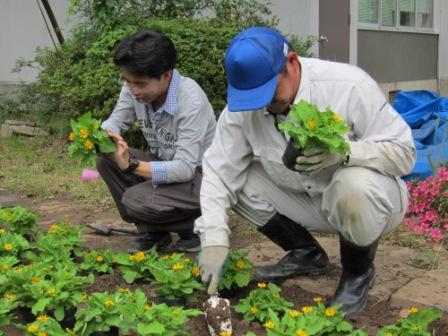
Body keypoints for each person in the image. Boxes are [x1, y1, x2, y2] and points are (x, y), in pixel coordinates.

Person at [196, 27, 416, 316]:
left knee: (353, 182)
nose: (262, 104)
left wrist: (345, 152)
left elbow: (405, 153)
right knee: (236, 178)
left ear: (291, 62)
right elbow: (217, 171)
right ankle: (307, 254)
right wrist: (214, 239)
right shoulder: (243, 108)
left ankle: (356, 274)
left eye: (269, 92)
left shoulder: (348, 85)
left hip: (369, 205)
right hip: (307, 199)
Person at [97, 29, 216, 253]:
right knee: (106, 160)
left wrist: (133, 166)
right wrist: (100, 136)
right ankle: (155, 232)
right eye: (127, 81)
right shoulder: (133, 86)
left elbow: (184, 169)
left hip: (204, 176)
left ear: (166, 75)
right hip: (168, 163)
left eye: (140, 84)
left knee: (134, 199)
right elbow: (116, 121)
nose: (133, 90)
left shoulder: (191, 101)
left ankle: (199, 226)